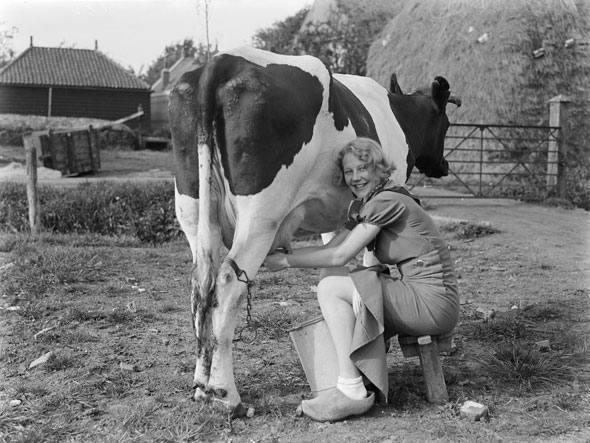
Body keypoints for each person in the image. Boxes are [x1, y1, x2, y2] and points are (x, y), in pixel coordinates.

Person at [264, 137, 459, 422]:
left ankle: (351, 390)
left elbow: (340, 255)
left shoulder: (387, 201)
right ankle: (348, 375)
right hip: (418, 295)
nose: (355, 177)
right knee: (330, 278)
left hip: (431, 301)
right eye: (348, 171)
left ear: (379, 169)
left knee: (332, 287)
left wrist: (284, 262)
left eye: (363, 168)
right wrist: (284, 247)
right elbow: (331, 250)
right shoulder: (373, 202)